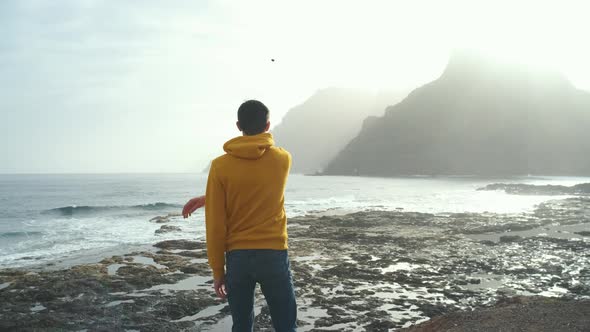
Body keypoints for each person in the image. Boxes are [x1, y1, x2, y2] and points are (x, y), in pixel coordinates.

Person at [182, 100, 296, 331]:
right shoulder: (283, 159)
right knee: (285, 325)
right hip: (273, 254)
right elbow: (256, 185)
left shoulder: (219, 166)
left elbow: (215, 224)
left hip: (238, 259)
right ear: (268, 126)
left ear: (237, 125)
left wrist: (217, 270)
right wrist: (209, 197)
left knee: (242, 325)